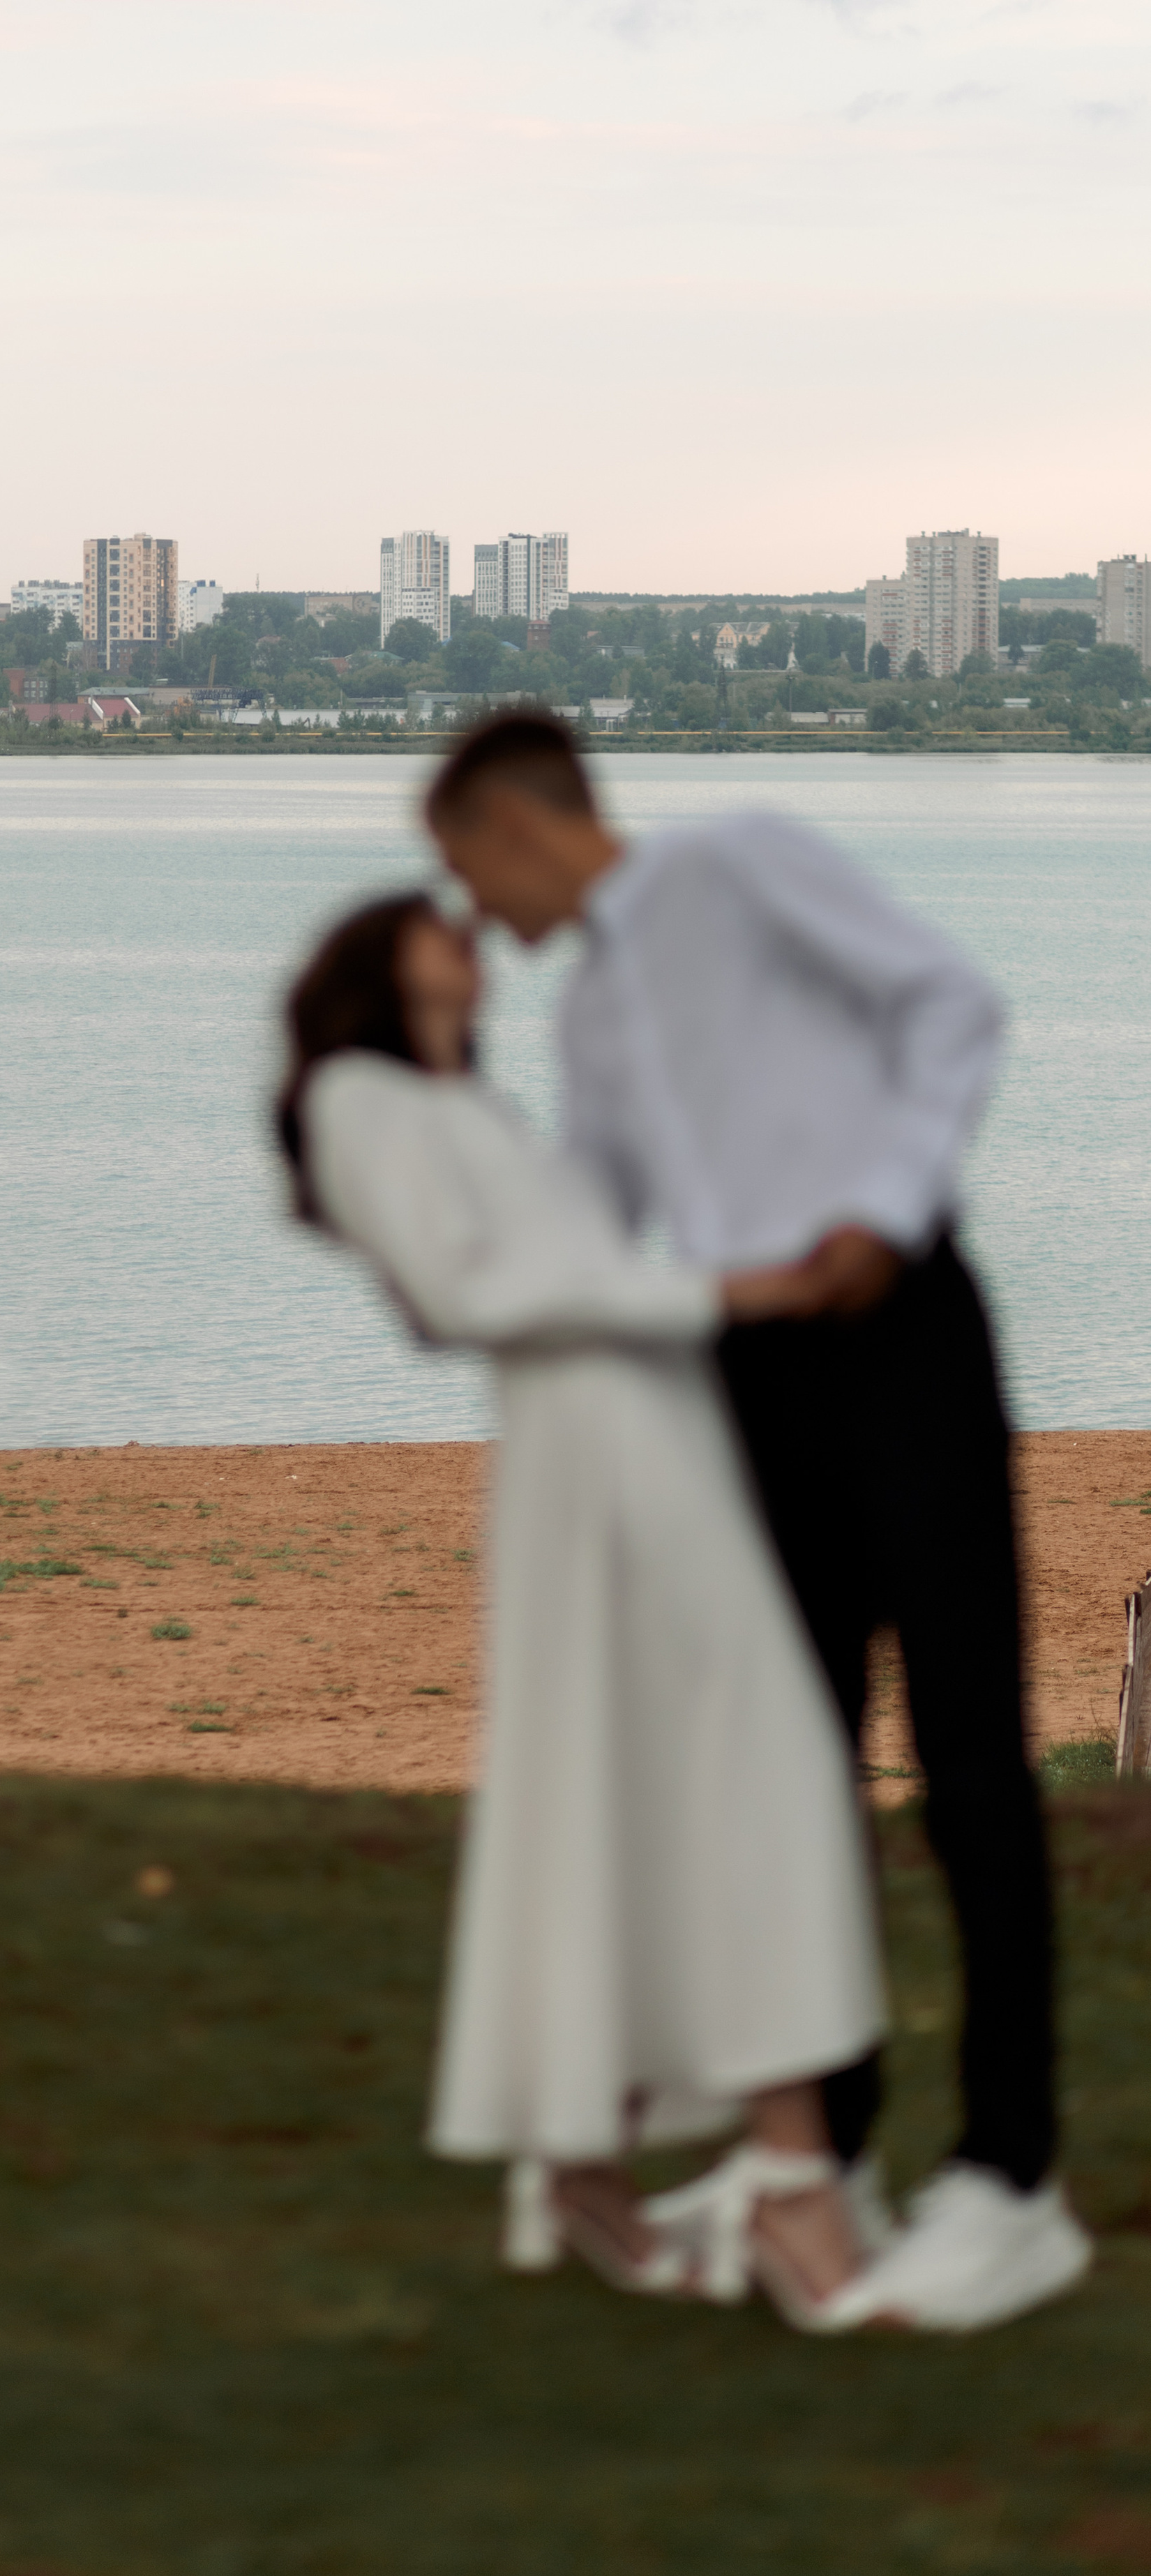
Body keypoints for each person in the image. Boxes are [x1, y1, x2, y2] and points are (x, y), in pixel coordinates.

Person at [426, 710, 1092, 2333]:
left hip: (898, 1325)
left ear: (518, 825)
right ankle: (830, 2156)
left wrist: (883, 1201)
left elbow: (946, 1001)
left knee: (967, 1755)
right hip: (743, 1375)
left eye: (467, 874)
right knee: (794, 1774)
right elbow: (594, 1222)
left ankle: (1010, 2178)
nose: (479, 921)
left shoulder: (740, 864)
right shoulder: (585, 1013)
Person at [278, 891, 889, 2330]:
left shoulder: (466, 1106)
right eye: (438, 917)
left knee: (656, 1788)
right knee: (747, 1776)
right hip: (593, 1456)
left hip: (646, 1435)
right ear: (381, 958)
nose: (470, 931)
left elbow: (548, 1265)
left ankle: (584, 2163)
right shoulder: (354, 1097)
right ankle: (787, 2181)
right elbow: (458, 1293)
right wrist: (713, 1294)